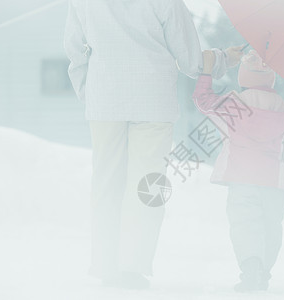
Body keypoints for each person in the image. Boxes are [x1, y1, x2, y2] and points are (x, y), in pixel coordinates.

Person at [63, 0, 243, 290]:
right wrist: (223, 59)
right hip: (153, 100)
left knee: (106, 184)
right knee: (147, 187)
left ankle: (107, 265)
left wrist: (89, 91)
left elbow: (74, 48)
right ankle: (132, 267)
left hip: (104, 102)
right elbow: (189, 59)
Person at [193, 50, 284, 292]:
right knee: (271, 228)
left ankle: (251, 267)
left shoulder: (233, 105)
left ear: (243, 78)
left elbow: (202, 101)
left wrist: (206, 72)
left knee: (244, 224)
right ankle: (264, 272)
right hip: (276, 183)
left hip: (242, 178)